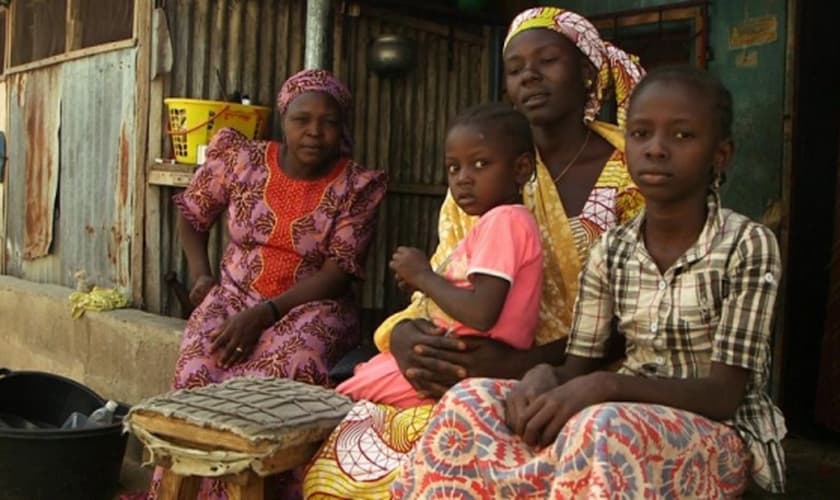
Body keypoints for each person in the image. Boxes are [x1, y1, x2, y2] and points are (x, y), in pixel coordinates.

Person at [393, 65, 788, 498]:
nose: (655, 149)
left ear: (721, 155)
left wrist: (608, 385)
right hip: (622, 416)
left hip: (719, 432)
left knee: (601, 425)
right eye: (640, 134)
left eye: (681, 136)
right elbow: (576, 367)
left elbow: (723, 395)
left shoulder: (747, 244)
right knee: (470, 401)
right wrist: (543, 375)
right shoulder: (613, 249)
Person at [303, 7, 645, 499]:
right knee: (345, 462)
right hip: (468, 365)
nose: (529, 74)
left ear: (587, 73)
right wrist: (403, 337)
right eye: (515, 67)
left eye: (547, 60)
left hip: (577, 377)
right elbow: (446, 279)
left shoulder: (633, 178)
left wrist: (519, 364)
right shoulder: (481, 178)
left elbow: (638, 320)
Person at [147, 69, 387, 500]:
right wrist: (202, 275)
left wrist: (266, 314)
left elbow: (337, 272)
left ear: (342, 127)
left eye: (328, 122)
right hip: (234, 296)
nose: (315, 131)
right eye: (302, 119)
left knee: (282, 379)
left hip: (311, 307)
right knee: (198, 369)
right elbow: (193, 215)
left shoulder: (357, 186)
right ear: (283, 120)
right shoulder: (243, 161)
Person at [337, 104, 543, 408]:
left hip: (459, 367)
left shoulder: (505, 221)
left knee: (343, 402)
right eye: (453, 167)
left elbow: (481, 314)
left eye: (481, 164)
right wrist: (424, 285)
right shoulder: (493, 223)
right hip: (449, 361)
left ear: (521, 169)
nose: (463, 178)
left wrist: (424, 276)